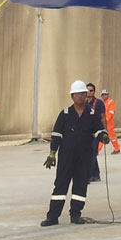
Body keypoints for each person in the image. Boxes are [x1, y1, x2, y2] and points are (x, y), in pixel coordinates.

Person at [41, 79, 107, 226]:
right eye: (77, 94)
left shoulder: (92, 114)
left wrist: (103, 136)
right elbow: (57, 134)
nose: (80, 96)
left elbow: (99, 129)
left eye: (82, 94)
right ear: (72, 97)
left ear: (86, 95)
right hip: (66, 156)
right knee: (60, 184)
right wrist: (52, 153)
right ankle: (53, 217)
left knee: (81, 185)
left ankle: (76, 215)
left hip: (84, 157)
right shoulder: (65, 114)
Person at [85, 83, 104, 182]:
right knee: (88, 153)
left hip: (96, 132)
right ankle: (96, 174)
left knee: (92, 153)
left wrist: (104, 132)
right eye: (87, 90)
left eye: (91, 90)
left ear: (94, 92)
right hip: (86, 133)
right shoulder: (83, 103)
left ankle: (90, 175)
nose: (89, 92)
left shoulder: (99, 103)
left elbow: (103, 117)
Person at [101, 87, 120, 154]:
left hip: (109, 124)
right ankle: (97, 150)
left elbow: (111, 113)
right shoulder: (102, 102)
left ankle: (117, 148)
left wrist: (106, 120)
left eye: (105, 94)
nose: (104, 96)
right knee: (101, 136)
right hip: (104, 123)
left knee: (112, 137)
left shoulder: (110, 102)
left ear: (108, 95)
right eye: (102, 95)